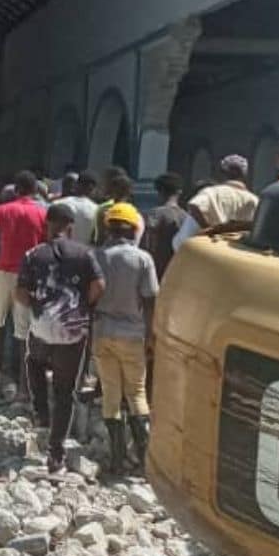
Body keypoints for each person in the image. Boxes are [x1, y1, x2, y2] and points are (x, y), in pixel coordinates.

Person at [15, 203, 105, 473]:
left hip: (42, 327)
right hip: (73, 332)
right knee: (65, 392)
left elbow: (19, 293)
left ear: (48, 224)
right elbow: (99, 286)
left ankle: (41, 411)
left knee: (33, 363)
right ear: (70, 226)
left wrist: (35, 304)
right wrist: (81, 307)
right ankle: (56, 453)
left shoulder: (33, 254)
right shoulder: (85, 253)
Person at [92, 202, 159, 475]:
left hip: (102, 331)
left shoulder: (96, 256)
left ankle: (117, 460)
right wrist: (151, 334)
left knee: (111, 393)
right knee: (136, 393)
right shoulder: (143, 259)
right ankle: (143, 460)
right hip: (132, 333)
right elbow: (151, 298)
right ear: (133, 230)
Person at [0, 170, 48, 400]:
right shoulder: (42, 212)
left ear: (16, 189)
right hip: (29, 275)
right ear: (35, 191)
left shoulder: (4, 210)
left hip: (4, 272)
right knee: (23, 332)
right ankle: (24, 387)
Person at [171, 155, 259, 252]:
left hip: (212, 251)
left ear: (223, 172)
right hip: (238, 253)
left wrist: (209, 230)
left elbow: (194, 206)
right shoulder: (254, 200)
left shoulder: (212, 192)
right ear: (245, 175)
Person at [142, 173, 184, 279]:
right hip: (179, 271)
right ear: (179, 192)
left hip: (156, 271)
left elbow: (147, 243)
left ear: (159, 192)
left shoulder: (154, 215)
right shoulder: (186, 217)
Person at [54, 170, 99, 245]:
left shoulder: (57, 204)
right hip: (83, 253)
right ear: (93, 189)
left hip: (58, 252)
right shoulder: (97, 210)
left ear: (76, 185)